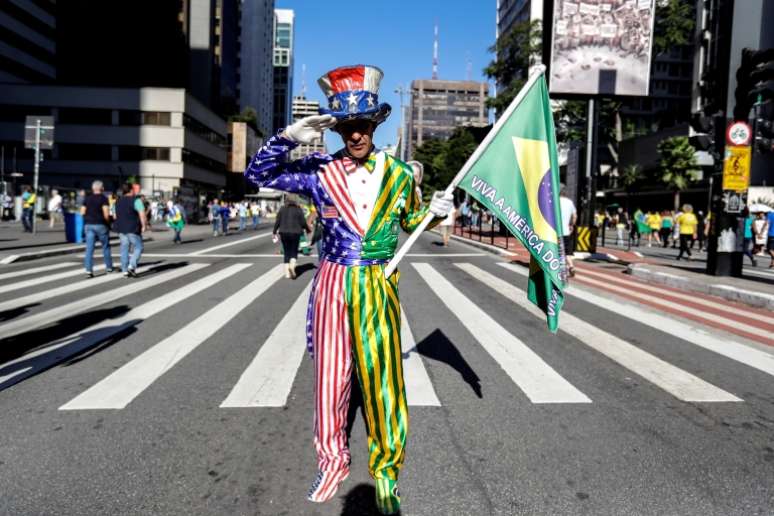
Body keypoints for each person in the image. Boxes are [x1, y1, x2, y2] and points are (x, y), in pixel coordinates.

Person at [245, 64, 452, 515]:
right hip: (334, 280)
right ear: (337, 129)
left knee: (383, 381)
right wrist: (287, 138)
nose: (355, 135)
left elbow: (411, 224)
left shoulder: (399, 174)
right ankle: (332, 460)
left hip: (378, 280)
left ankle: (386, 473)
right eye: (346, 127)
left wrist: (435, 212)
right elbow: (257, 176)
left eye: (362, 126)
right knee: (331, 378)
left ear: (375, 124)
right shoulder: (320, 170)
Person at [81, 180, 114, 277]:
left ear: (92, 189)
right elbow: (106, 214)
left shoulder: (87, 199)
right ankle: (109, 267)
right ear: (102, 188)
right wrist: (109, 224)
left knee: (89, 248)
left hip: (89, 225)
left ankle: (88, 270)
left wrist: (88, 219)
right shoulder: (104, 199)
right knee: (105, 247)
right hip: (101, 225)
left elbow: (82, 212)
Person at [273, 196, 311, 278]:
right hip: (296, 233)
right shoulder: (298, 209)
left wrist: (274, 231)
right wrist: (307, 229)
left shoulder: (282, 209)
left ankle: (287, 274)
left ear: (286, 201)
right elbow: (303, 222)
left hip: (283, 232)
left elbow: (278, 220)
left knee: (286, 252)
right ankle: (292, 266)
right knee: (294, 251)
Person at [115, 183, 147, 277]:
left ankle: (125, 270)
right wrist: (143, 225)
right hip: (132, 228)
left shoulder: (118, 201)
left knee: (124, 248)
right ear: (131, 190)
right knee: (139, 247)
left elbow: (115, 215)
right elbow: (142, 214)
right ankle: (131, 266)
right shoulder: (136, 200)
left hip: (121, 228)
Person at [559, 184, 577, 277]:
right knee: (567, 252)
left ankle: (561, 270)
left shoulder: (555, 202)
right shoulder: (570, 202)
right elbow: (574, 216)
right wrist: (571, 225)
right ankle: (571, 266)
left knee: (559, 251)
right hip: (567, 231)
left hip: (556, 232)